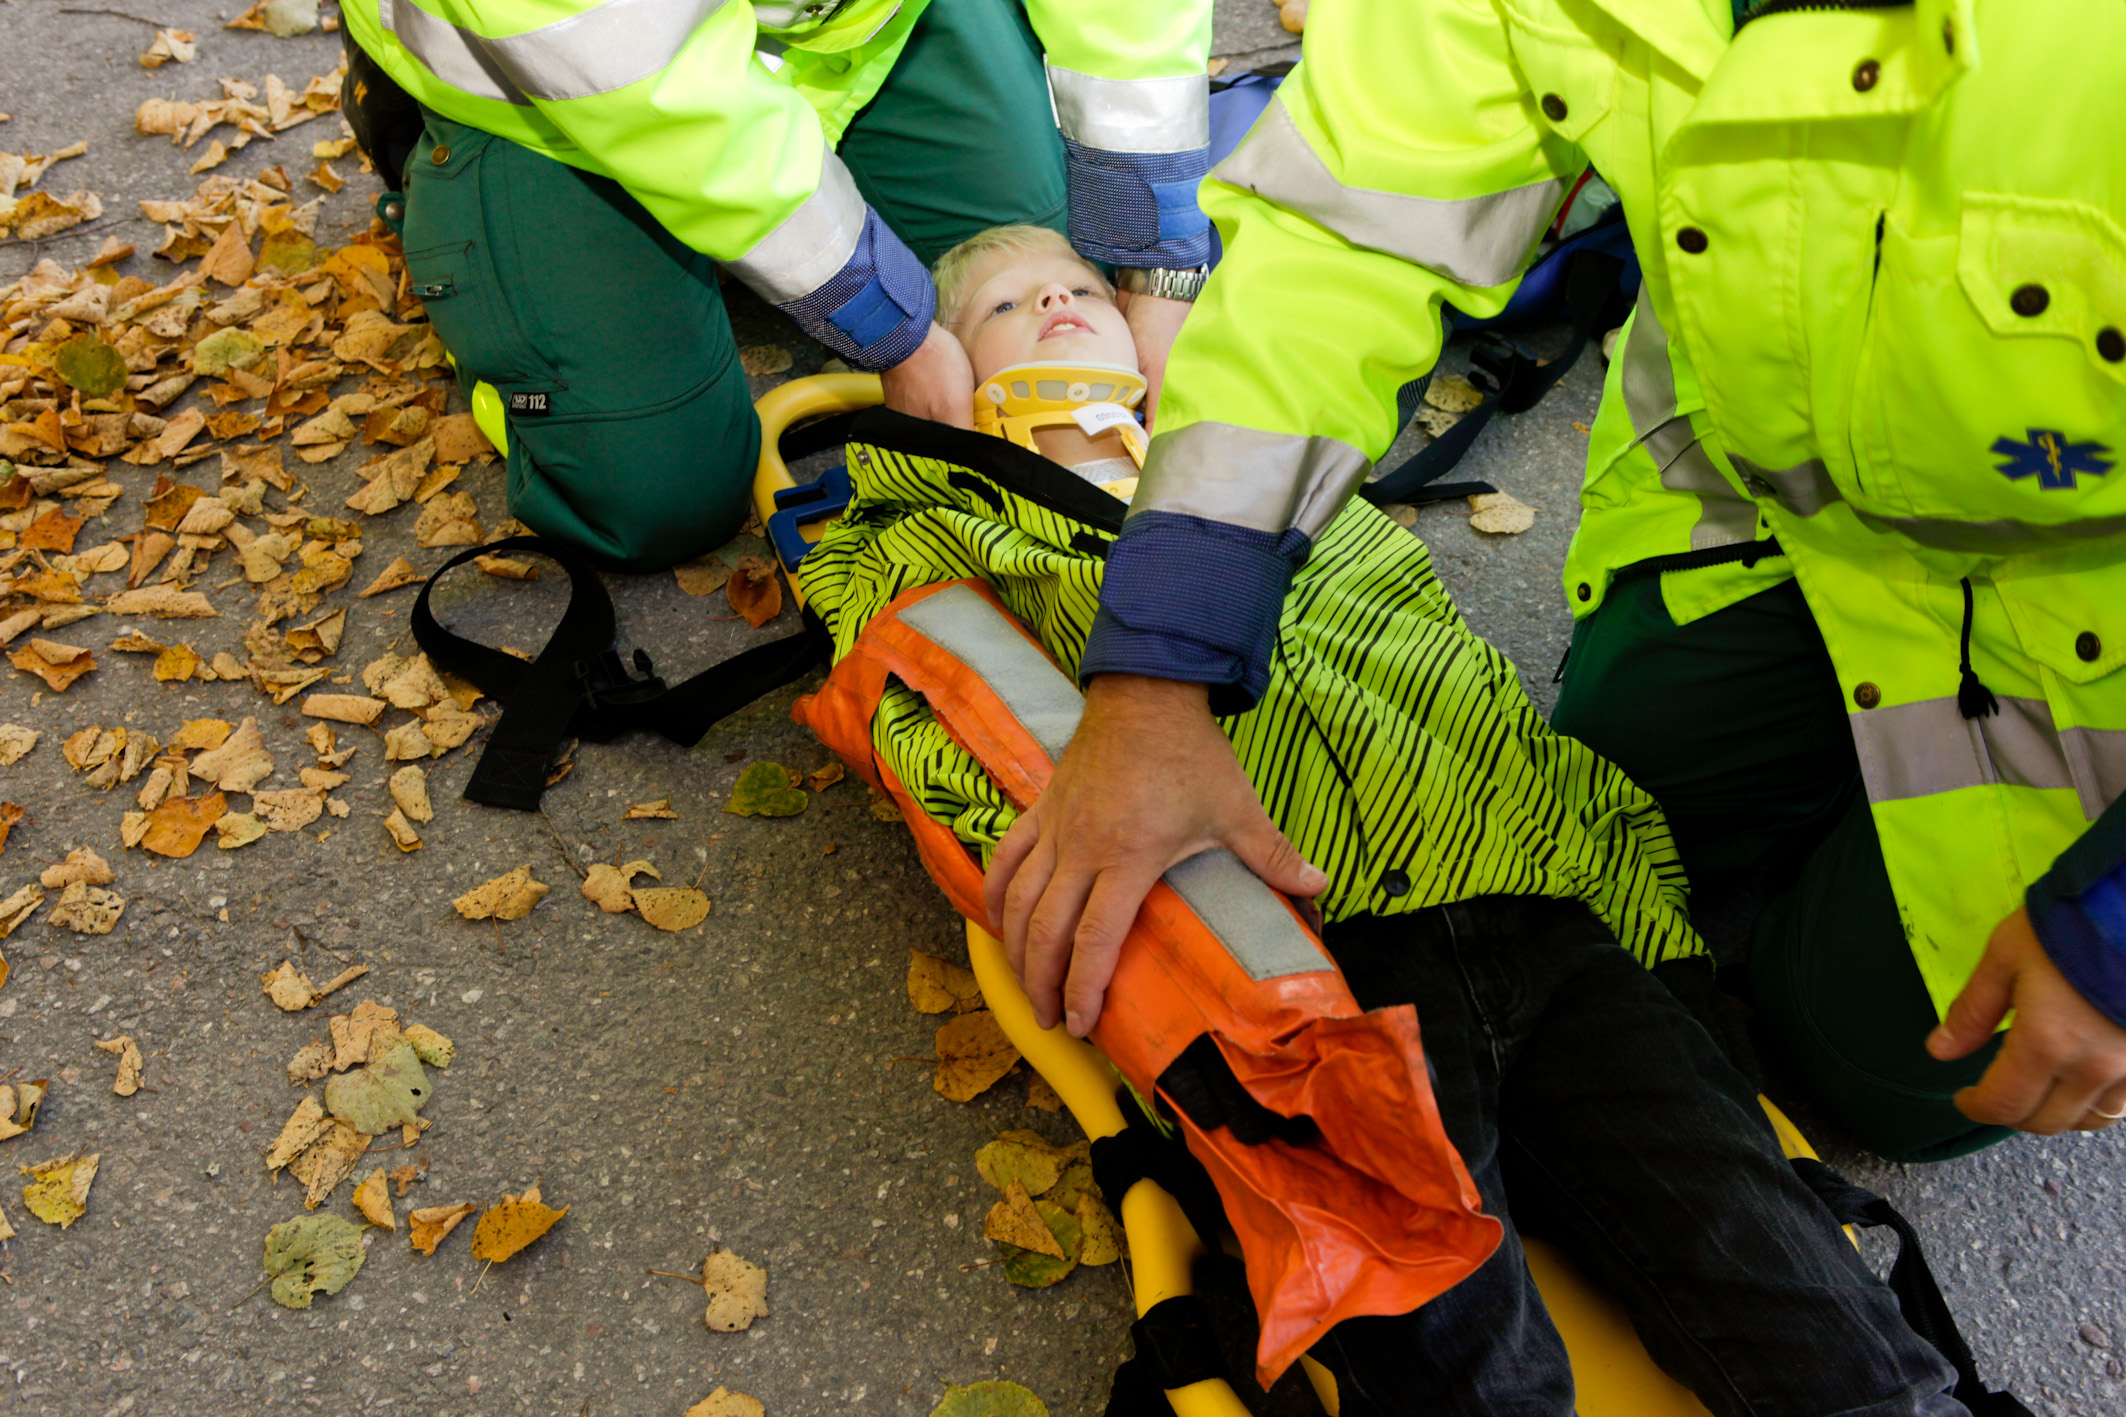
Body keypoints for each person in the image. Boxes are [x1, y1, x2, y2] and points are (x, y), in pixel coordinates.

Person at [830, 225, 1971, 1415]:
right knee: (1456, 1353)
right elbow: (926, 712)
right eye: (1011, 305)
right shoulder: (943, 535)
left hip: (1525, 903)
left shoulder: (1287, 487)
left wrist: (1639, 921)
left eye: (1078, 287)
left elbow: (1470, 695)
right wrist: (926, 459)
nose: (1059, 303)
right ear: (951, 380)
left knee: (1776, 1268)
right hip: (1313, 992)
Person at [987, 0, 2126, 1165]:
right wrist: (1156, 669)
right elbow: (1343, 237)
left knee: (1890, 1075)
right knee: (1616, 822)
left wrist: (2107, 925)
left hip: (2080, 614)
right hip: (1757, 488)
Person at [338, 0, 1216, 571]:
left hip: (857, 26)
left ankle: (791, 228)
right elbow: (653, 92)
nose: (1063, 309)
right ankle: (449, 175)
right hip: (558, 83)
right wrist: (888, 322)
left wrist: (1159, 252)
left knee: (1033, 251)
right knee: (659, 496)